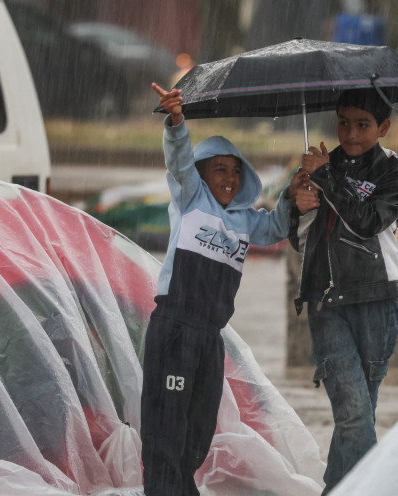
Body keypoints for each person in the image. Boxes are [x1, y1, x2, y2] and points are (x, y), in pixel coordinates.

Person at [141, 83, 304, 496]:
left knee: (197, 429)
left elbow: (279, 225)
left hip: (211, 338)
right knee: (167, 426)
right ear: (200, 175)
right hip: (175, 327)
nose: (229, 178)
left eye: (236, 171)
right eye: (220, 170)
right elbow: (178, 160)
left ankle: (182, 487)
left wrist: (298, 184)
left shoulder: (246, 221)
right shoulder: (190, 199)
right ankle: (162, 489)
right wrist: (177, 121)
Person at [288, 88, 398, 494]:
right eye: (343, 122)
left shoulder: (396, 173)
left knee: (359, 416)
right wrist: (297, 201)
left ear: (384, 127)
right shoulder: (317, 166)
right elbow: (295, 237)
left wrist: (327, 177)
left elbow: (366, 222)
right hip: (326, 304)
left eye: (362, 125)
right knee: (355, 416)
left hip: (376, 302)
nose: (351, 133)